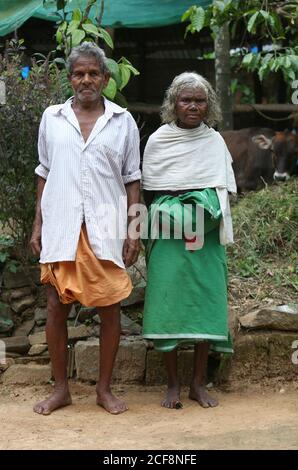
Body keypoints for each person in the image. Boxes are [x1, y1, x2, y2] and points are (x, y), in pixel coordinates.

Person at [30, 42, 141, 415]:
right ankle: (60, 389)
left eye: (94, 73)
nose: (86, 80)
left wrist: (134, 228)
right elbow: (43, 172)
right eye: (79, 73)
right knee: (54, 305)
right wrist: (37, 223)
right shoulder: (52, 118)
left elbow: (132, 179)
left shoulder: (123, 121)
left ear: (106, 78)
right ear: (70, 77)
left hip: (105, 226)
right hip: (61, 223)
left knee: (110, 306)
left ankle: (104, 390)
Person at [142, 72, 236, 409]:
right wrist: (177, 211)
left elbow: (223, 192)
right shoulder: (158, 141)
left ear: (208, 104)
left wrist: (199, 208)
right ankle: (172, 385)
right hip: (168, 235)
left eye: (199, 100)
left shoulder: (214, 142)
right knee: (168, 303)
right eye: (186, 100)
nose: (193, 106)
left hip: (205, 234)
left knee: (205, 303)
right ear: (173, 103)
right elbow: (150, 191)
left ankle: (197, 383)